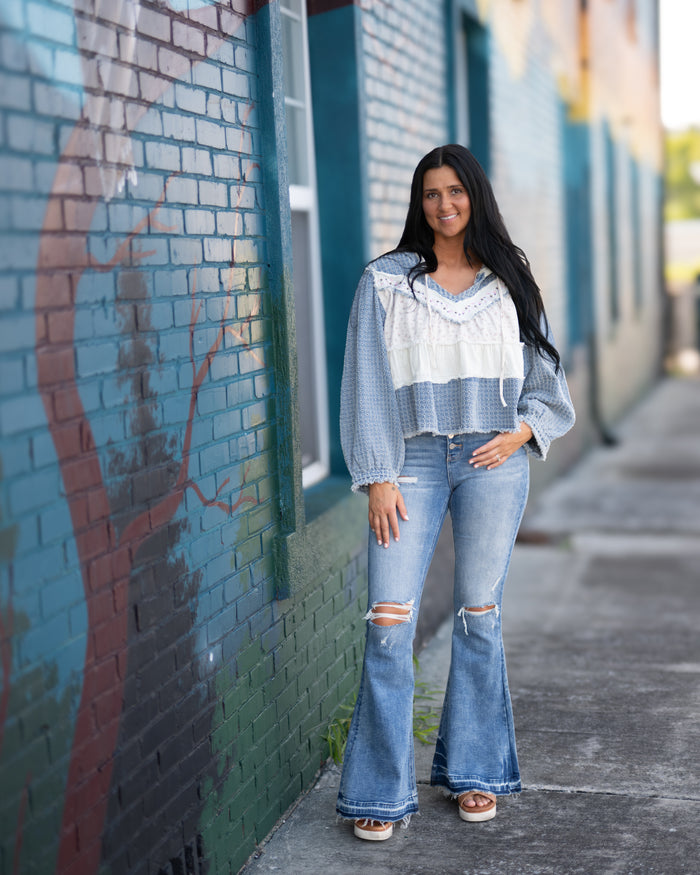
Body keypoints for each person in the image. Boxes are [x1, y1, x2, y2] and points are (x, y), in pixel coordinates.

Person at [336, 144, 575, 841]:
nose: (444, 204)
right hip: (409, 461)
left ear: (476, 195)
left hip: (491, 460)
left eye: (456, 191)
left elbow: (547, 384)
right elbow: (365, 384)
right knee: (388, 622)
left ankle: (476, 770)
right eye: (432, 193)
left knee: (478, 614)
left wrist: (519, 431)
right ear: (420, 202)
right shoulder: (386, 283)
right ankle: (380, 791)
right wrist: (378, 475)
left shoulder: (510, 280)